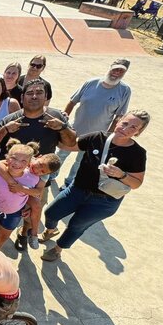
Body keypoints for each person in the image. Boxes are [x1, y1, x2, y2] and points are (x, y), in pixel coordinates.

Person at [41, 110, 149, 262]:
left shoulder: (137, 153)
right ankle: (51, 230)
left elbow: (137, 183)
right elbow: (69, 145)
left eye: (133, 127)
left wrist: (121, 175)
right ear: (118, 121)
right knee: (51, 213)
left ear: (139, 132)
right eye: (124, 123)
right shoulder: (97, 137)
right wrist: (60, 128)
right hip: (77, 190)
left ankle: (58, 249)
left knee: (77, 225)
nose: (125, 129)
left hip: (105, 202)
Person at [60, 59, 132, 187]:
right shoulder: (91, 83)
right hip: (74, 130)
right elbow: (72, 101)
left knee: (80, 162)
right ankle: (49, 176)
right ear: (110, 67)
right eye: (115, 69)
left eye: (121, 71)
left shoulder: (125, 90)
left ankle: (68, 183)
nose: (117, 73)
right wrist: (63, 121)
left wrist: (108, 135)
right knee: (61, 154)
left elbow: (119, 116)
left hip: (95, 137)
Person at [0, 140, 44, 250]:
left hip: (14, 214)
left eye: (23, 160)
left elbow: (34, 196)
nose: (17, 163)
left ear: (29, 163)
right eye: (14, 158)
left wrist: (29, 208)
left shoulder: (33, 179)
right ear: (6, 157)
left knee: (2, 237)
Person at [0, 78, 75, 158]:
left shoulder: (56, 116)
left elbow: (71, 143)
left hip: (41, 172)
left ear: (46, 96)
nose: (34, 96)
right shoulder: (10, 119)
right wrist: (5, 129)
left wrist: (62, 128)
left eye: (39, 93)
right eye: (30, 93)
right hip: (10, 171)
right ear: (22, 97)